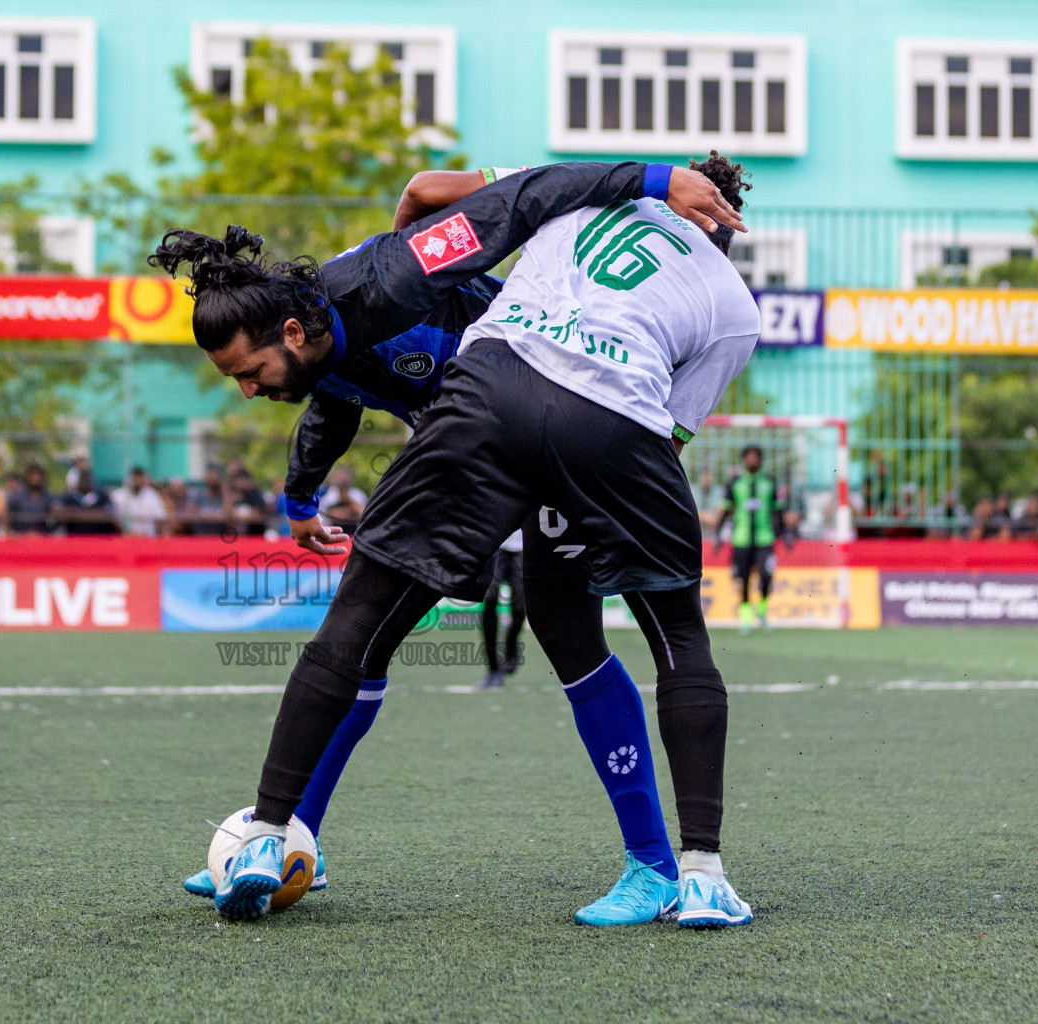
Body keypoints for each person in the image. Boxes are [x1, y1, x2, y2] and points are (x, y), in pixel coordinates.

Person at [164, 156, 757, 927]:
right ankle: (282, 834)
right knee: (372, 631)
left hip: (498, 404)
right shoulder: (322, 336)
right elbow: (336, 396)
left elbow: (478, 194)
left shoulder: (403, 268)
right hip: (547, 429)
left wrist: (644, 177)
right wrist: (301, 495)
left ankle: (649, 862)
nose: (248, 389)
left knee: (527, 625)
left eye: (251, 372)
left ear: (291, 328)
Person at [715, 446, 788, 633]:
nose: (753, 460)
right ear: (744, 459)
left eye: (756, 456)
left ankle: (762, 610)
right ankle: (746, 617)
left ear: (761, 459)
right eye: (749, 456)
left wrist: (785, 533)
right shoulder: (735, 483)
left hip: (765, 538)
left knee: (766, 575)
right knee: (743, 578)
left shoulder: (770, 482)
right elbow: (725, 511)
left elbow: (778, 511)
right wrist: (718, 536)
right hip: (741, 539)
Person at [478, 529, 526, 690]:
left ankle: (511, 647)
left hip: (522, 548)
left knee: (520, 608)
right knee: (490, 599)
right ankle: (493, 668)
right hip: (496, 545)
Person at [55, 471, 118, 535]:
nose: (85, 481)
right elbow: (56, 510)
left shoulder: (101, 495)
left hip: (99, 535)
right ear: (78, 481)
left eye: (87, 479)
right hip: (74, 536)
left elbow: (111, 512)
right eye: (83, 479)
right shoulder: (69, 496)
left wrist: (79, 514)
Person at [114, 466, 168, 538]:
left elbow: (161, 518)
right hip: (125, 539)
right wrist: (131, 534)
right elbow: (114, 520)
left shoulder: (152, 495)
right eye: (135, 476)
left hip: (149, 539)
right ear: (129, 478)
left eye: (140, 477)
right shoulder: (118, 495)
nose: (137, 480)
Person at [7, 463, 56, 535]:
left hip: (41, 536)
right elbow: (7, 517)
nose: (35, 478)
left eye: (37, 475)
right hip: (20, 535)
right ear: (27, 477)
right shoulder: (16, 495)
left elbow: (55, 517)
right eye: (32, 475)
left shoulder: (47, 496)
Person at [183, 466, 231, 536]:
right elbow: (190, 513)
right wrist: (209, 516)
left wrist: (225, 492)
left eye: (216, 476)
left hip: (220, 536)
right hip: (200, 536)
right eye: (211, 476)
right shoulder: (198, 494)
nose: (213, 479)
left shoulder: (224, 495)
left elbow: (230, 516)